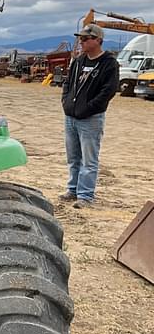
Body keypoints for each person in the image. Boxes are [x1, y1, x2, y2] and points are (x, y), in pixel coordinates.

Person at [60, 24, 119, 208]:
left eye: (86, 39)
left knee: (89, 159)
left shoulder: (109, 64)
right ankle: (73, 189)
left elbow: (108, 91)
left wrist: (89, 108)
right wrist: (66, 101)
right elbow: (68, 83)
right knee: (73, 157)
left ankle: (85, 196)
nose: (81, 41)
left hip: (91, 119)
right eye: (81, 38)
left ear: (98, 40)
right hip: (71, 117)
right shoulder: (78, 61)